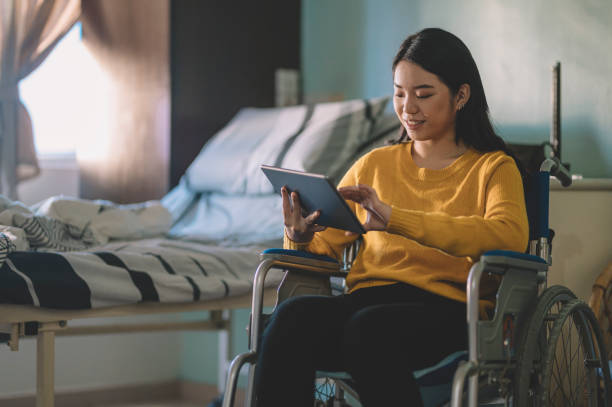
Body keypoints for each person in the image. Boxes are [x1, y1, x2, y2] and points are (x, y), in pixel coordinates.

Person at [253, 28, 529, 407]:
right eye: (400, 93)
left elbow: (508, 236)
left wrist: (397, 218)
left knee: (369, 330)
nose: (408, 108)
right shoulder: (375, 164)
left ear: (461, 95)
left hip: (449, 309)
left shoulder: (493, 168)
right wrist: (299, 236)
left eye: (424, 94)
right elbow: (326, 249)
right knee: (291, 318)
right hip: (368, 300)